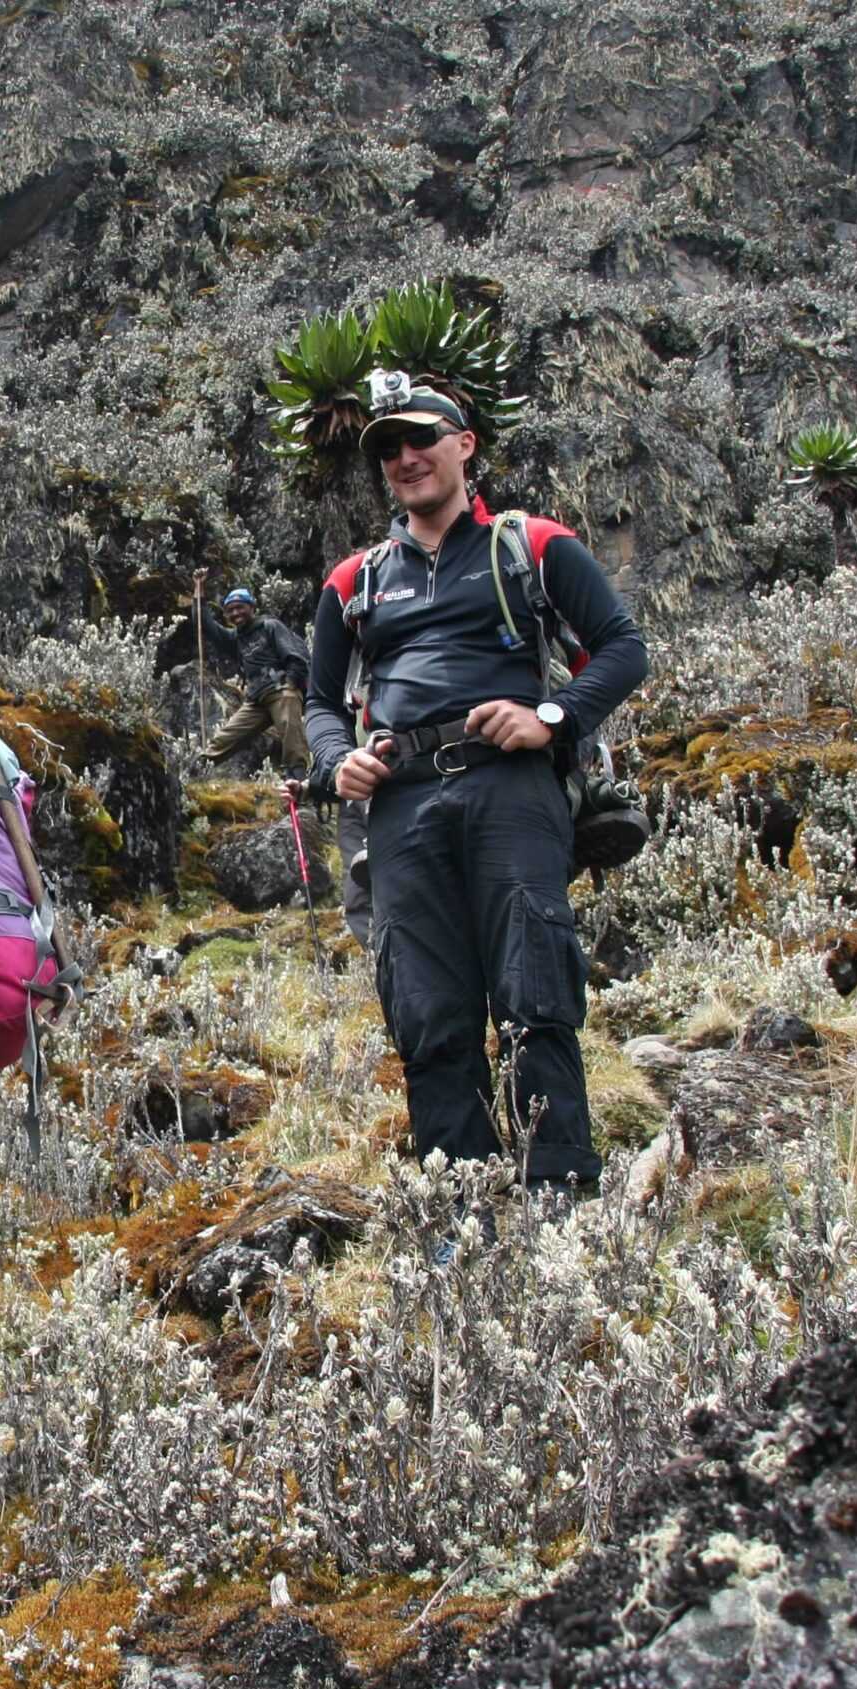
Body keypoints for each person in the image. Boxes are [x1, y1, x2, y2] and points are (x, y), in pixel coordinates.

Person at [304, 379, 649, 1190]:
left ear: (466, 445)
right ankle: (462, 1212)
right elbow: (321, 701)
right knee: (426, 1010)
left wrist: (553, 718)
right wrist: (333, 765)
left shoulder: (530, 546)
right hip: (400, 802)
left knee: (536, 989)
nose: (404, 457)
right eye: (388, 448)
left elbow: (622, 646)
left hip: (512, 788)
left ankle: (560, 1196)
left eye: (421, 437)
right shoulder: (354, 580)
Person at [193, 579, 311, 771]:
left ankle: (297, 779)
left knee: (291, 733)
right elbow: (206, 625)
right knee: (227, 737)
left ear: (251, 607)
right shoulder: (235, 638)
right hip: (257, 698)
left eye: (240, 607)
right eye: (230, 610)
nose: (235, 613)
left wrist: (290, 683)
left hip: (282, 690)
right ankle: (197, 769)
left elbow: (295, 656)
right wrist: (199, 593)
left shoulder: (270, 626)